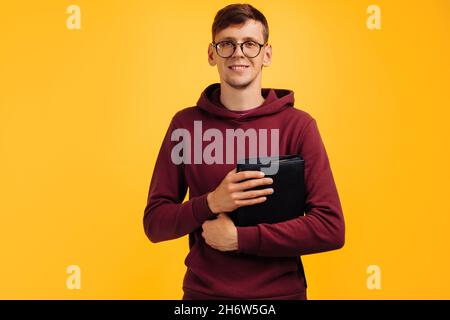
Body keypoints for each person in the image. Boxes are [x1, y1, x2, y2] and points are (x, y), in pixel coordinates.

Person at [143, 3, 345, 300]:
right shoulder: (185, 125)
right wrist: (211, 202)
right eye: (227, 44)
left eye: (250, 44)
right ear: (212, 54)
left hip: (280, 296)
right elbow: (155, 223)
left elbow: (330, 228)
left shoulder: (299, 126)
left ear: (267, 54)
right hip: (204, 297)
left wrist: (240, 239)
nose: (238, 53)